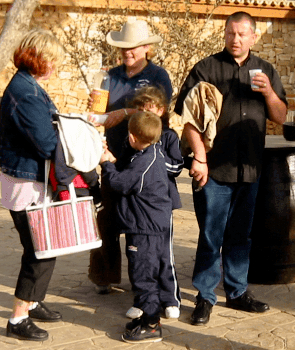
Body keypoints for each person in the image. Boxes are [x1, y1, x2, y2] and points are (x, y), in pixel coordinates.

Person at [174, 11, 287, 326]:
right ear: (224, 34)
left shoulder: (266, 70)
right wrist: (199, 158)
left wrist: (269, 92)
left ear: (253, 36)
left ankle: (237, 292)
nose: (235, 39)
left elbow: (281, 116)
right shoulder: (206, 69)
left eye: (241, 34)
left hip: (249, 169)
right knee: (211, 235)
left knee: (241, 235)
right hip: (213, 171)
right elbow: (189, 118)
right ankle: (205, 296)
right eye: (230, 33)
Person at [88, 19, 173, 295]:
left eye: (133, 47)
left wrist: (124, 112)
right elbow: (100, 112)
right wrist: (95, 109)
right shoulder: (109, 76)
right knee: (107, 218)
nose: (128, 52)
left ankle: (149, 279)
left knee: (143, 223)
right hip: (114, 155)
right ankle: (105, 276)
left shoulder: (159, 76)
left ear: (146, 48)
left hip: (145, 159)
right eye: (124, 47)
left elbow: (158, 113)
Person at [0, 29, 65, 341]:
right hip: (26, 184)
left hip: (27, 180)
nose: (55, 67)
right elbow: (48, 143)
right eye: (52, 60)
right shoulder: (26, 93)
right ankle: (18, 318)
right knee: (40, 250)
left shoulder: (27, 86)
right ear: (37, 59)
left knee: (45, 246)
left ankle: (34, 301)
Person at [99, 112, 172, 343]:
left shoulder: (144, 162)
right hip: (149, 226)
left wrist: (106, 164)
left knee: (143, 277)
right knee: (145, 273)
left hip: (144, 229)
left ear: (132, 136)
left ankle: (151, 325)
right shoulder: (151, 153)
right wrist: (114, 160)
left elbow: (120, 183)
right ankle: (145, 318)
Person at [121, 86, 184, 320]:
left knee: (164, 254)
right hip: (137, 208)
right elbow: (124, 169)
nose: (145, 114)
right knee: (138, 256)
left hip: (161, 207)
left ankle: (170, 298)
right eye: (140, 109)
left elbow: (177, 167)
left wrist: (153, 155)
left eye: (150, 109)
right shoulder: (130, 137)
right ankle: (143, 299)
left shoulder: (169, 136)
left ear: (161, 110)